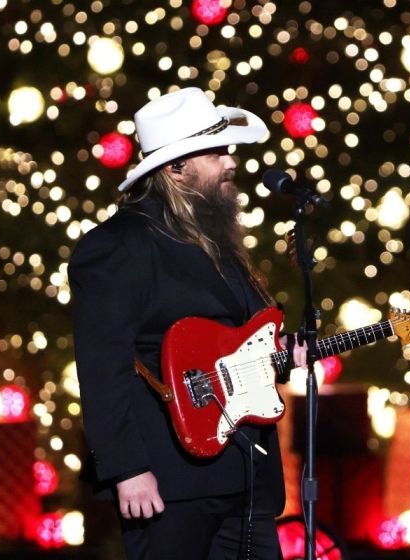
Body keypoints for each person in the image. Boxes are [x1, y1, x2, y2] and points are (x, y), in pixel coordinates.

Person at [70, 87, 305, 559]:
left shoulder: (219, 244)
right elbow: (102, 367)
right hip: (169, 481)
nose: (230, 162)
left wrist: (280, 358)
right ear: (176, 169)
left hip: (244, 476)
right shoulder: (117, 246)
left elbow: (227, 348)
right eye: (215, 152)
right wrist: (125, 469)